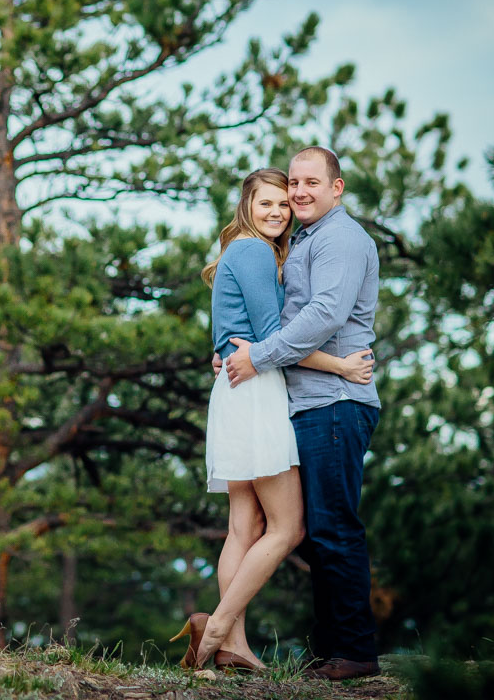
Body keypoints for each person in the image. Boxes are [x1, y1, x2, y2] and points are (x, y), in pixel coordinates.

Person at [170, 167, 372, 672]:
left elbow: (243, 340)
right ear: (246, 206)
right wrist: (342, 365)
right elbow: (273, 340)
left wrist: (230, 353)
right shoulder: (256, 251)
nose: (279, 211)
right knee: (288, 526)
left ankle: (230, 639)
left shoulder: (241, 251)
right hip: (256, 392)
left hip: (235, 391)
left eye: (284, 204)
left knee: (244, 525)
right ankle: (217, 628)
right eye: (267, 204)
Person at [223, 147, 382, 681]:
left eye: (312, 182)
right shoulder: (302, 241)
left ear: (337, 188)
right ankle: (332, 649)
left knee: (334, 528)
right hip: (310, 400)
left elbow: (324, 313)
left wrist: (258, 355)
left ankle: (355, 651)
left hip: (335, 402)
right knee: (317, 532)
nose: (299, 192)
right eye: (294, 182)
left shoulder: (339, 237)